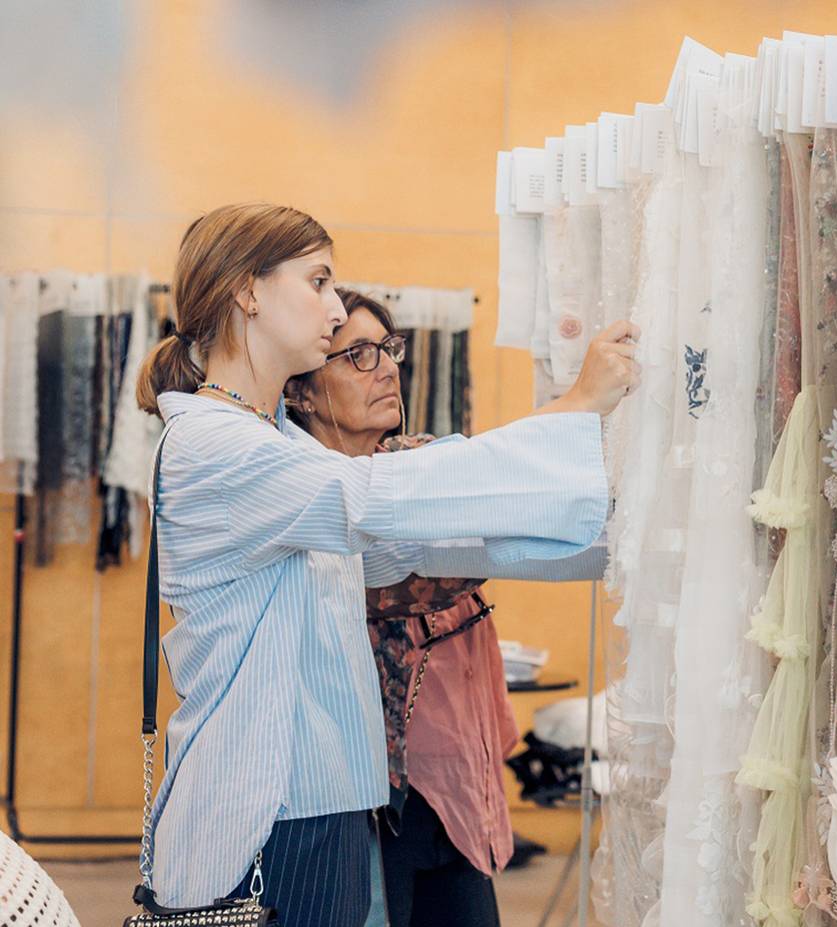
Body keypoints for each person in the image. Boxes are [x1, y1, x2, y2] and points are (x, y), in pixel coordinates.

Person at [135, 203, 638, 926]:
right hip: (264, 816)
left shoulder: (276, 444)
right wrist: (574, 407)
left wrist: (624, 539)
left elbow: (426, 543)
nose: (335, 306)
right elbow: (374, 496)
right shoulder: (211, 445)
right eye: (317, 280)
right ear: (248, 290)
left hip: (319, 803)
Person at [288, 288, 582, 926]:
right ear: (302, 391)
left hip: (458, 777)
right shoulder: (304, 494)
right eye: (357, 355)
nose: (388, 366)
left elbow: (509, 493)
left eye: (388, 350)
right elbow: (411, 579)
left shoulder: (418, 462)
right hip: (367, 793)